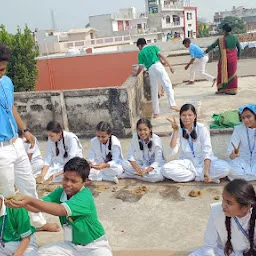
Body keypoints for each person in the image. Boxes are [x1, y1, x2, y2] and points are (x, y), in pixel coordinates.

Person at [0, 43, 59, 232]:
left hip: (15, 143)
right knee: (7, 194)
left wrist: (24, 130)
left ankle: (37, 222)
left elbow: (11, 108)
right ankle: (14, 231)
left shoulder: (7, 82)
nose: (1, 72)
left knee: (28, 185)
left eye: (3, 69)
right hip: (0, 149)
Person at [6, 157, 112, 256]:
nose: (68, 184)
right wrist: (22, 204)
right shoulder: (60, 192)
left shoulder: (85, 196)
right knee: (41, 253)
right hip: (71, 246)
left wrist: (29, 200)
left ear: (85, 182)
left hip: (95, 247)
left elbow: (60, 210)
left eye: (74, 181)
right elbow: (37, 207)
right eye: (65, 178)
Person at [161, 104, 230, 183]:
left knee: (226, 168)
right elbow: (173, 151)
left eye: (190, 115)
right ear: (180, 116)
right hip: (187, 163)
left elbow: (207, 151)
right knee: (165, 169)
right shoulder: (178, 130)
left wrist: (206, 171)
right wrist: (175, 131)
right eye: (184, 115)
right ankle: (199, 177)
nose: (187, 118)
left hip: (203, 162)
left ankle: (198, 176)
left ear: (195, 116)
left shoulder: (202, 128)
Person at [189, 179, 256, 256]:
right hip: (221, 250)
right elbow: (209, 246)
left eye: (229, 203)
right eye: (223, 199)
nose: (223, 205)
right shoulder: (216, 211)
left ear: (246, 207)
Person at [134, 38, 179, 119]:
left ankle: (156, 113)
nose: (139, 48)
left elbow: (140, 67)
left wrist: (136, 74)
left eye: (138, 47)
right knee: (167, 85)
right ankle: (172, 104)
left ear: (140, 45)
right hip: (158, 66)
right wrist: (170, 66)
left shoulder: (140, 53)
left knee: (154, 91)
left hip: (150, 70)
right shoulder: (153, 47)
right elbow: (161, 56)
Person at [122, 118, 165, 182]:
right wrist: (136, 167)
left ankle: (132, 175)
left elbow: (157, 161)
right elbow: (130, 155)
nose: (142, 132)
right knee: (123, 163)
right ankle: (139, 175)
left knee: (159, 176)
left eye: (145, 130)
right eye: (140, 130)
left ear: (150, 129)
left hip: (154, 167)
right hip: (142, 164)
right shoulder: (135, 137)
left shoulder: (156, 140)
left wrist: (146, 170)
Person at [205, 23, 241, 95]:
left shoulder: (220, 39)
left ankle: (221, 89)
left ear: (224, 30)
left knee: (222, 73)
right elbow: (239, 48)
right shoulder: (235, 38)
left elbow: (212, 46)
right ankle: (233, 90)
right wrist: (238, 56)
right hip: (233, 58)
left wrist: (205, 51)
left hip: (224, 59)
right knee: (232, 73)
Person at [227, 104, 256, 181]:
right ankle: (251, 176)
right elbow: (231, 151)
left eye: (248, 116)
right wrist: (233, 155)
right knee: (229, 169)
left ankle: (247, 177)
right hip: (242, 161)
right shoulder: (238, 129)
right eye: (243, 118)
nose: (245, 120)